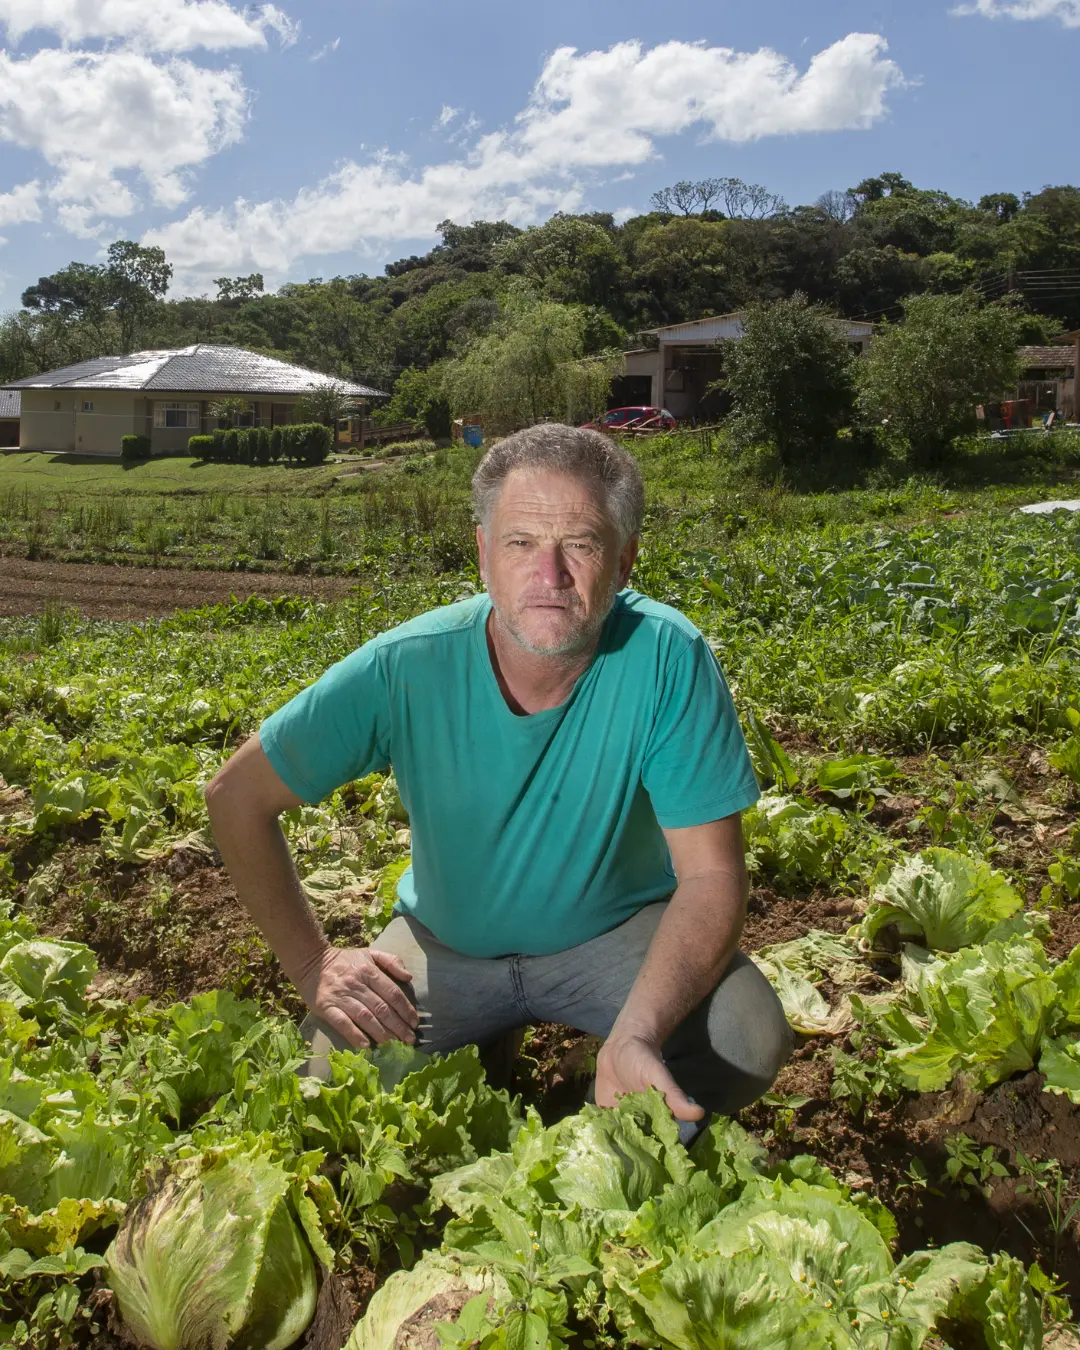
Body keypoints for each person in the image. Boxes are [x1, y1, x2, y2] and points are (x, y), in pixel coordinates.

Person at [204, 423, 791, 1136]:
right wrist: (313, 962)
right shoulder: (407, 666)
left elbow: (709, 879)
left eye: (580, 544)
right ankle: (487, 1045)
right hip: (446, 947)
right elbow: (235, 796)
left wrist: (637, 1030)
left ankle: (603, 1101)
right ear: (483, 554)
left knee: (744, 1037)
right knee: (328, 1085)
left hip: (612, 940)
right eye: (520, 544)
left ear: (626, 560)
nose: (550, 576)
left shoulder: (669, 657)